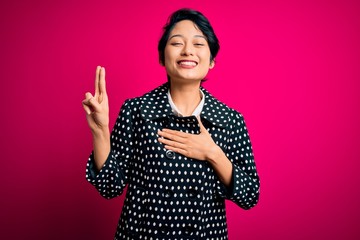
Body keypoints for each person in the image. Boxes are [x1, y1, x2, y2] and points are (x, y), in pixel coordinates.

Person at [82, 8, 260, 240]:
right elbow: (109, 187)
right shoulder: (137, 110)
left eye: (198, 44)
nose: (187, 51)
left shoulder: (230, 120)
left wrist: (213, 153)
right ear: (161, 57)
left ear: (212, 60)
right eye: (177, 43)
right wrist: (100, 131)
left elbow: (249, 196)